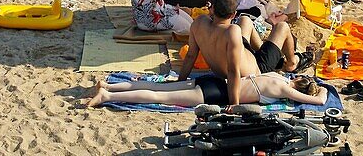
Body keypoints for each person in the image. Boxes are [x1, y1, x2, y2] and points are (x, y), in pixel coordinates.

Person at [177, 0, 310, 106]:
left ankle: (273, 56)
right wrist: (234, 104)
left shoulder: (199, 22)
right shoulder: (231, 30)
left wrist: (180, 81)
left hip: (244, 57)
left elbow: (190, 56)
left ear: (211, 9)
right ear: (233, 14)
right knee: (282, 27)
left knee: (245, 20)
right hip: (257, 71)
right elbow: (233, 70)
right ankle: (291, 63)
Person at [87, 72, 326, 109]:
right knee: (160, 96)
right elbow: (317, 101)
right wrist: (323, 91)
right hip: (216, 95)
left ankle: (109, 85)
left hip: (214, 80)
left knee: (158, 86)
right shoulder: (284, 89)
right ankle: (107, 95)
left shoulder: (275, 75)